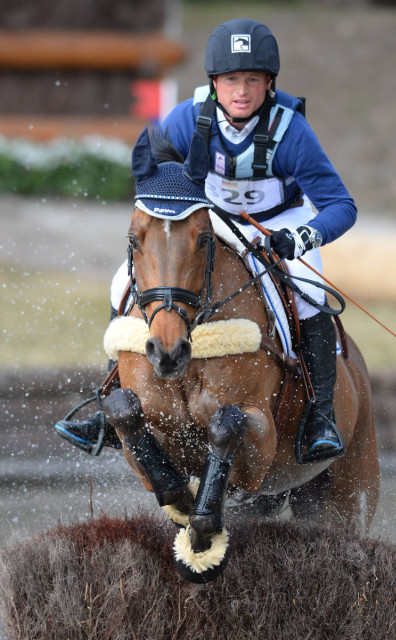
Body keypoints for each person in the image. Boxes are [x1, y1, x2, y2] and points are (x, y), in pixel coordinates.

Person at [56, 18, 356, 462]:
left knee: (308, 290)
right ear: (214, 83)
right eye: (231, 79)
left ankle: (319, 416)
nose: (241, 90)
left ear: (269, 84)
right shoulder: (185, 120)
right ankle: (104, 406)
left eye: (252, 80)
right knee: (123, 280)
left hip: (276, 227)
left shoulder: (291, 131)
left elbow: (341, 206)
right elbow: (153, 179)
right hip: (207, 225)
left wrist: (301, 235)